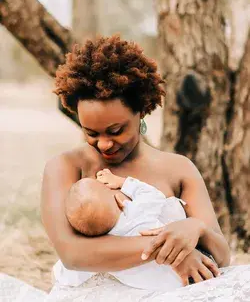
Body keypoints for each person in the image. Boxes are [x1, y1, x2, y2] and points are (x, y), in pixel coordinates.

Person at [1, 35, 250, 302]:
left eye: (116, 130)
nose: (104, 144)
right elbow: (73, 254)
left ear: (141, 111)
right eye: (91, 133)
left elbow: (222, 257)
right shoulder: (65, 168)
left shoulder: (179, 169)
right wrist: (173, 251)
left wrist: (194, 229)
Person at [55, 169, 217, 292]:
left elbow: (69, 273)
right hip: (190, 276)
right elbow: (154, 195)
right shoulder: (137, 213)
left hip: (158, 289)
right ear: (119, 200)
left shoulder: (105, 248)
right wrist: (122, 182)